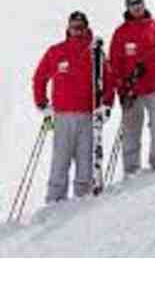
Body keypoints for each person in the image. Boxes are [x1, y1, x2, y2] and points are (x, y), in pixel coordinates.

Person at [32, 11, 114, 203]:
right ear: (68, 28)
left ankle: (83, 202)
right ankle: (54, 201)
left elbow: (108, 80)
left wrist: (106, 105)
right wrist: (42, 103)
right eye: (74, 26)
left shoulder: (95, 52)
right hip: (63, 116)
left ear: (86, 28)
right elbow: (40, 77)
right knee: (60, 160)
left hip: (88, 115)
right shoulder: (56, 51)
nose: (77, 30)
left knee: (85, 160)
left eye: (81, 26)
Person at [109, 0, 155, 175]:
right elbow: (114, 63)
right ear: (128, 8)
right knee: (131, 131)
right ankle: (131, 170)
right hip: (132, 90)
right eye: (132, 5)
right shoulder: (121, 32)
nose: (137, 7)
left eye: (139, 3)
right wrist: (122, 87)